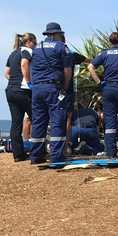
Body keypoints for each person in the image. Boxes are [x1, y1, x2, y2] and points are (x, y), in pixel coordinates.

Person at [30, 22, 72, 164]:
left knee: (38, 122)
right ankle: (56, 156)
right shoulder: (62, 48)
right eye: (61, 34)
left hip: (37, 89)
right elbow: (67, 70)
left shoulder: (36, 48)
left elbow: (31, 68)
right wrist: (65, 87)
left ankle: (36, 156)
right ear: (55, 34)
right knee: (57, 121)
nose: (62, 36)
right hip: (53, 89)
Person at [4, 33, 37, 162]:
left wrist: (14, 80)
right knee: (37, 118)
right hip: (23, 91)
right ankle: (38, 150)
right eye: (35, 42)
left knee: (16, 123)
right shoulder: (26, 50)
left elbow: (7, 73)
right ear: (29, 42)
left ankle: (18, 155)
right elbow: (24, 64)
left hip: (10, 90)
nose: (35, 46)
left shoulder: (13, 54)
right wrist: (28, 82)